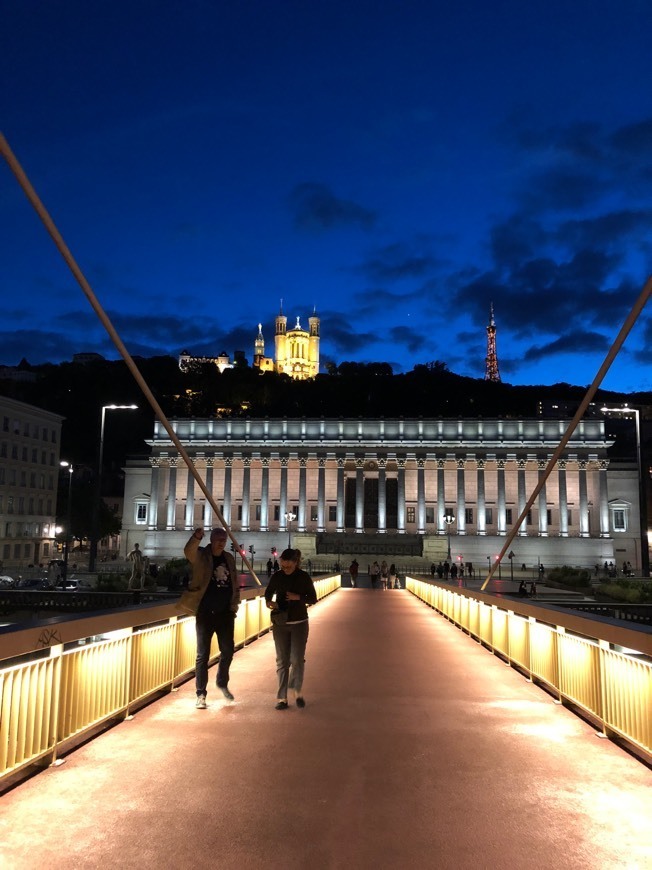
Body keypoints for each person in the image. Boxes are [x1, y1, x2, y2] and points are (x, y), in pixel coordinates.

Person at [184, 527, 240, 708]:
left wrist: (233, 607)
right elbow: (188, 552)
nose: (222, 542)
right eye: (218, 539)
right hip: (205, 613)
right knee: (202, 656)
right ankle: (201, 694)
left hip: (225, 614)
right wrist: (196, 537)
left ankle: (222, 681)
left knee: (228, 651)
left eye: (224, 540)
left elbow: (234, 583)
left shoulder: (229, 558)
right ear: (211, 540)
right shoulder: (202, 556)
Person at [264, 548, 317, 710]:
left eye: (288, 566)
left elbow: (313, 598)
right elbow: (268, 593)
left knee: (297, 659)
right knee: (282, 660)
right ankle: (282, 698)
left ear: (295, 563)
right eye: (283, 565)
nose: (285, 568)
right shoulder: (277, 576)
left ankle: (297, 690)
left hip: (299, 622)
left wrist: (298, 597)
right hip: (281, 622)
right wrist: (269, 602)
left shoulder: (303, 577)